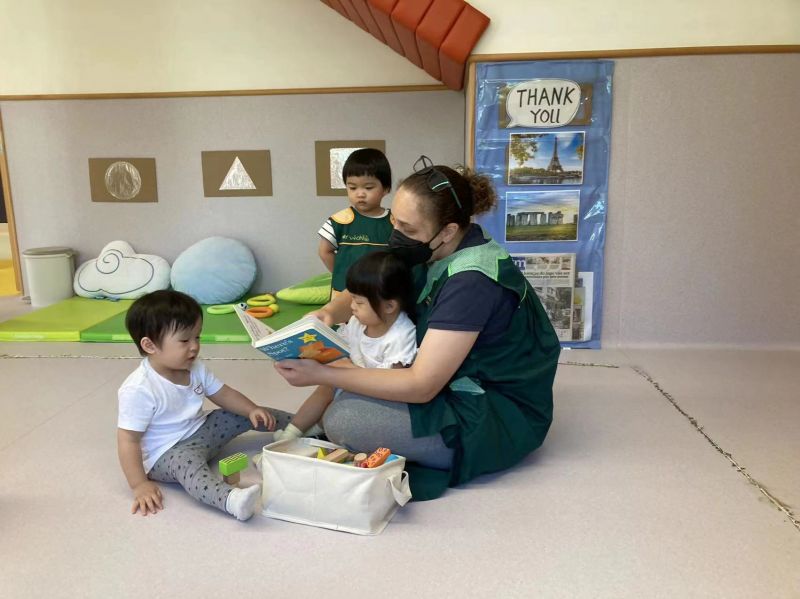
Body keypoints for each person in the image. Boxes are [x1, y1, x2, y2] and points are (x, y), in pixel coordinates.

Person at [276, 156, 561, 500]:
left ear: (448, 231)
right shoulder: (433, 247)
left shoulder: (471, 282)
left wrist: (325, 374)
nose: (396, 235)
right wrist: (327, 313)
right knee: (343, 391)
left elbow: (421, 385)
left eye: (408, 229)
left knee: (343, 417)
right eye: (394, 221)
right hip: (447, 381)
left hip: (491, 415)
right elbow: (374, 282)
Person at [117, 290, 292, 520]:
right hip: (168, 453)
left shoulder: (194, 366)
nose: (194, 346)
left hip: (201, 429)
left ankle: (300, 425)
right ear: (150, 345)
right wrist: (139, 484)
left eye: (197, 337)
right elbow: (128, 440)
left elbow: (224, 394)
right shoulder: (139, 388)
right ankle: (231, 500)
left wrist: (251, 409)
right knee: (188, 467)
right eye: (184, 340)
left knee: (238, 413)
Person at [273, 250, 418, 442]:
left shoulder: (401, 335)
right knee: (325, 387)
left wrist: (346, 370)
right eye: (352, 299)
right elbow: (340, 347)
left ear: (389, 306)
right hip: (351, 380)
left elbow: (395, 383)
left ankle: (313, 430)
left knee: (336, 407)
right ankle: (292, 432)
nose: (352, 307)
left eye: (359, 302)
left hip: (379, 396)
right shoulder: (358, 322)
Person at [318, 148, 394, 297]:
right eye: (352, 187)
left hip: (382, 294)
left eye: (368, 188)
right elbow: (324, 251)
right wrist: (341, 274)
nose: (360, 194)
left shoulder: (395, 222)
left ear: (385, 189)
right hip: (345, 294)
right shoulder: (339, 221)